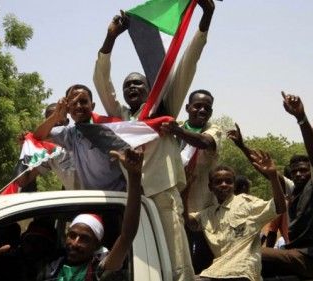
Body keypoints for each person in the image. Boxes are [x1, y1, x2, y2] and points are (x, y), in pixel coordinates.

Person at [93, 1, 216, 279]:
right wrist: (111, 37)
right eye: (127, 85)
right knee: (144, 267)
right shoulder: (122, 119)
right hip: (134, 200)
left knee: (177, 266)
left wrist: (206, 16)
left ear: (150, 88)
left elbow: (189, 62)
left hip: (163, 197)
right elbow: (102, 82)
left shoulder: (164, 108)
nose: (132, 87)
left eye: (138, 83)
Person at [261, 92, 313, 279]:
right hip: (295, 256)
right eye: (294, 172)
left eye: (304, 170)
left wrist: (301, 118)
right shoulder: (295, 190)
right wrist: (242, 147)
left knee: (252, 253)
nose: (299, 174)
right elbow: (271, 175)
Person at [40, 147, 144, 281]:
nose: (75, 243)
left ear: (96, 245)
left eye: (84, 238)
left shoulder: (98, 269)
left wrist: (134, 176)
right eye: (72, 235)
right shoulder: (52, 268)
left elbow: (127, 236)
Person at [185, 150, 287, 281]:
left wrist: (273, 176)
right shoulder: (208, 213)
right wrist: (186, 190)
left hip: (242, 272)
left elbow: (279, 207)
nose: (224, 185)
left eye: (228, 181)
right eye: (218, 182)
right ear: (211, 187)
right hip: (216, 272)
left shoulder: (246, 203)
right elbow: (188, 221)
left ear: (233, 186)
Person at [159, 89, 221, 274]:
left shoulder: (213, 130)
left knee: (202, 265)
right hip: (173, 207)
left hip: (202, 212)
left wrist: (177, 131)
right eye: (197, 106)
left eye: (207, 108)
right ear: (187, 107)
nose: (202, 110)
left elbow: (204, 142)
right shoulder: (172, 126)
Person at [33, 85, 126, 191]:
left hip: (117, 200)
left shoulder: (109, 129)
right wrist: (56, 116)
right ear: (68, 108)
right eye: (73, 103)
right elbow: (37, 138)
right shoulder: (69, 133)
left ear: (93, 106)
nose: (78, 106)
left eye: (83, 101)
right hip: (88, 202)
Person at [17, 103, 83, 190]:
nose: (55, 121)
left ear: (67, 122)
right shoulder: (49, 152)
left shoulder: (79, 139)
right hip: (77, 199)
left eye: (58, 117)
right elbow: (23, 181)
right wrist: (26, 150)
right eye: (51, 119)